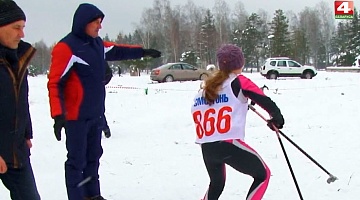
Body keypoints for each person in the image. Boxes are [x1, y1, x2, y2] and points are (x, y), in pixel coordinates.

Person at [47, 3, 161, 200]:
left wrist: (144, 51)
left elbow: (120, 50)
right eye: (96, 23)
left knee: (94, 158)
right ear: (84, 23)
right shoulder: (66, 47)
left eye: (100, 23)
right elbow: (54, 83)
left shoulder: (98, 44)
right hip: (76, 117)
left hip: (96, 114)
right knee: (76, 161)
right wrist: (58, 115)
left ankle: (93, 195)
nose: (99, 27)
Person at [190, 44, 284, 200]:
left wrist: (241, 105)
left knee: (217, 184)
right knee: (263, 175)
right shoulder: (239, 81)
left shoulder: (204, 89)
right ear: (240, 63)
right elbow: (265, 101)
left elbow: (213, 109)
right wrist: (277, 119)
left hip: (207, 147)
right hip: (229, 144)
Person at [0, 1, 41, 199]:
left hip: (15, 148)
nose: (22, 34)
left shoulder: (18, 58)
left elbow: (19, 100)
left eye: (23, 28)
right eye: (16, 28)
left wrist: (26, 132)